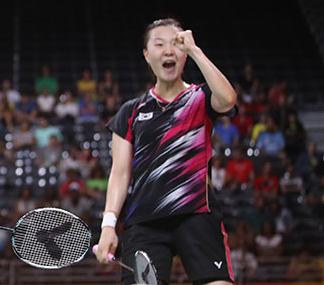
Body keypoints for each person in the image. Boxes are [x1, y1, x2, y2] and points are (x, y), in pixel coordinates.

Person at [95, 18, 237, 285]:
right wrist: (108, 226)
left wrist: (196, 51)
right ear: (147, 56)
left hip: (196, 213)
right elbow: (120, 172)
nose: (168, 51)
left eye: (176, 44)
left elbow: (228, 99)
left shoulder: (201, 98)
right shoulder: (131, 112)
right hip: (144, 222)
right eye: (159, 45)